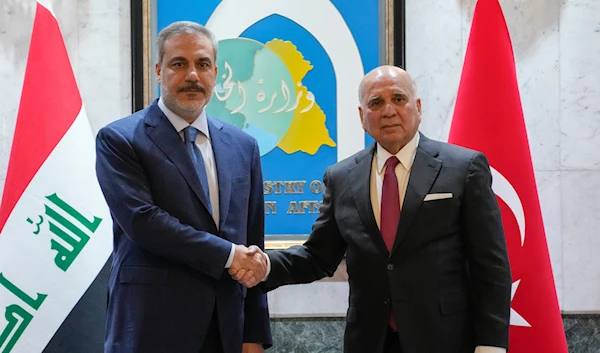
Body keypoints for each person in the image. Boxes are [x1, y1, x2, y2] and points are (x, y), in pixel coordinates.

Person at [232, 66, 512, 353]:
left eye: (398, 99)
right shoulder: (341, 178)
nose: (388, 111)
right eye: (376, 103)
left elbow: (490, 266)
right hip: (369, 341)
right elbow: (318, 256)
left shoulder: (463, 168)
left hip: (446, 339)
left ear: (418, 107)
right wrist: (264, 265)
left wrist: (491, 345)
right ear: (362, 117)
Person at [96, 21, 271, 353]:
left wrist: (253, 334)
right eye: (179, 63)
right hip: (152, 328)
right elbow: (143, 222)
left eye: (202, 64)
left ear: (215, 74)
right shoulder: (120, 139)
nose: (192, 75)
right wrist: (230, 255)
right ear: (159, 71)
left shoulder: (243, 146)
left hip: (226, 330)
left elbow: (252, 238)